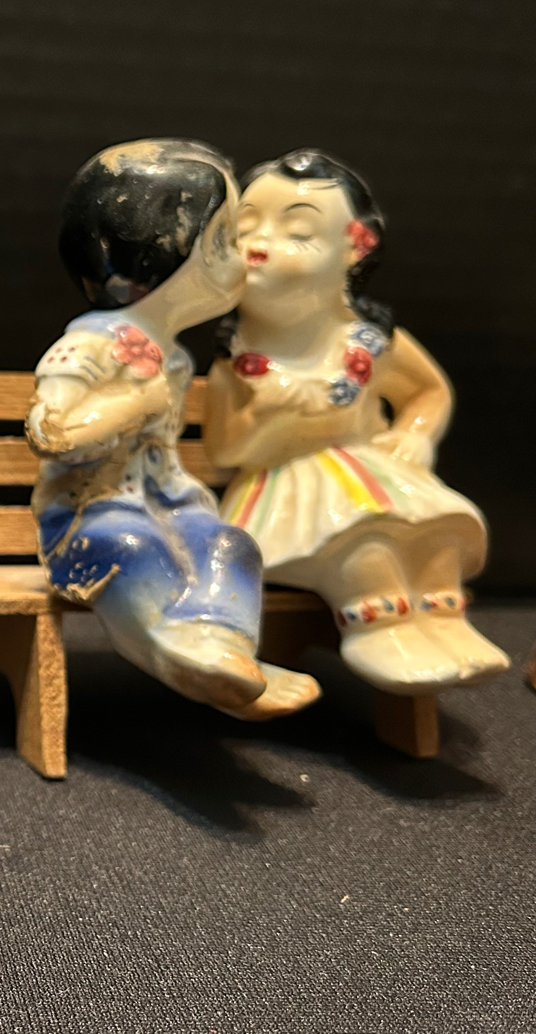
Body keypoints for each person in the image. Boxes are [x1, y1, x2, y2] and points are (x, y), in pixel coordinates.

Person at [29, 138, 320, 719]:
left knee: (231, 545)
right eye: (226, 240)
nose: (243, 257)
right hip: (87, 514)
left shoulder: (176, 357)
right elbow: (49, 431)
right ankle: (171, 650)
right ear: (165, 253)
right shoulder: (87, 346)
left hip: (166, 503)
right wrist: (134, 403)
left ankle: (226, 651)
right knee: (132, 547)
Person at [204, 149, 507, 692]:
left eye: (299, 233)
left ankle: (444, 622)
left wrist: (416, 435)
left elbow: (429, 392)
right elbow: (224, 450)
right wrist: (268, 419)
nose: (259, 244)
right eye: (243, 229)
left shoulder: (370, 343)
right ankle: (379, 630)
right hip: (281, 492)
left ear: (354, 247)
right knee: (365, 544)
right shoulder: (236, 364)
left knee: (435, 529)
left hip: (377, 473)